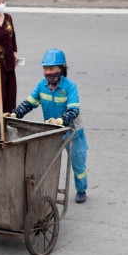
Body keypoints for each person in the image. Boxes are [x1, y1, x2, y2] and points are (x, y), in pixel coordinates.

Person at [8, 48, 89, 203]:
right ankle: (47, 190)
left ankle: (81, 189)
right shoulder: (41, 86)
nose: (48, 72)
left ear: (61, 68)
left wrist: (61, 120)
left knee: (78, 163)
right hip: (52, 132)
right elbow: (29, 103)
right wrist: (15, 114)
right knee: (47, 163)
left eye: (51, 68)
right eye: (45, 68)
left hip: (72, 132)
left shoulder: (70, 87)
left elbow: (73, 110)